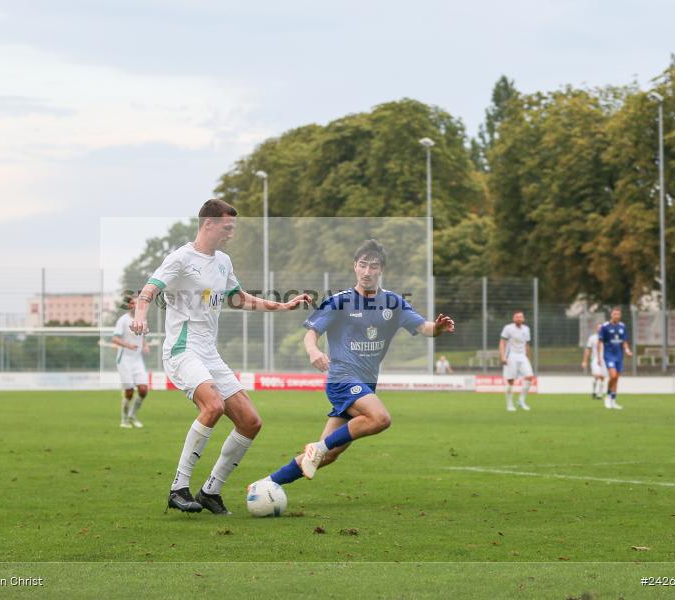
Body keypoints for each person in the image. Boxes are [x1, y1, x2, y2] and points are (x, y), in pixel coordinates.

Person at [130, 199, 311, 515]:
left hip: (209, 353)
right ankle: (178, 488)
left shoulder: (224, 261)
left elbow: (238, 299)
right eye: (227, 227)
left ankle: (210, 491)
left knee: (251, 422)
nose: (231, 233)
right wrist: (141, 315)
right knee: (212, 406)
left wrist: (279, 306)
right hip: (182, 350)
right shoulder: (181, 258)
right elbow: (149, 289)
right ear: (208, 224)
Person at [256, 239, 454, 490]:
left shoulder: (393, 303)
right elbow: (310, 333)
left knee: (328, 455)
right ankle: (318, 447)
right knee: (380, 418)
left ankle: (267, 484)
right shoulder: (339, 301)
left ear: (381, 269)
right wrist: (312, 350)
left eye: (373, 266)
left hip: (365, 385)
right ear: (355, 267)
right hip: (342, 378)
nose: (367, 271)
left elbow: (424, 327)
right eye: (363, 265)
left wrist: (436, 328)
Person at [112, 294, 150, 428]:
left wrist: (145, 345)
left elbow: (142, 337)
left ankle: (132, 416)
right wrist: (128, 345)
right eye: (133, 303)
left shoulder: (143, 320)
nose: (136, 306)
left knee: (144, 390)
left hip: (137, 360)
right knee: (129, 392)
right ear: (129, 306)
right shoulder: (123, 320)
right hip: (124, 360)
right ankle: (124, 420)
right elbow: (115, 339)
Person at [598, 307, 632, 410]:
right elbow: (600, 342)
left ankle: (613, 401)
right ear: (611, 315)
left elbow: (624, 341)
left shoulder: (622, 326)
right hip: (609, 355)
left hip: (619, 355)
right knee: (612, 376)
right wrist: (599, 356)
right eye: (614, 314)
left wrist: (627, 350)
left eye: (618, 314)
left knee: (616, 378)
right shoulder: (605, 327)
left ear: (620, 316)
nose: (616, 316)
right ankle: (607, 396)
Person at [499, 311, 533, 412]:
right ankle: (509, 404)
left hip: (522, 357)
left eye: (521, 317)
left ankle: (521, 401)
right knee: (511, 381)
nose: (519, 318)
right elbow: (502, 343)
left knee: (529, 377)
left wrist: (528, 357)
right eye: (517, 317)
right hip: (511, 356)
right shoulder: (508, 328)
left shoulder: (526, 329)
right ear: (513, 318)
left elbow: (526, 344)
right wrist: (503, 357)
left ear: (523, 318)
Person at [581, 324, 607, 403]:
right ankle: (594, 391)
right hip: (595, 359)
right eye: (598, 328)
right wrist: (584, 361)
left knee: (602, 377)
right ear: (596, 329)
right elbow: (588, 350)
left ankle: (599, 394)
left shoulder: (607, 338)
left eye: (601, 328)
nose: (600, 329)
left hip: (605, 359)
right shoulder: (592, 338)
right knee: (597, 375)